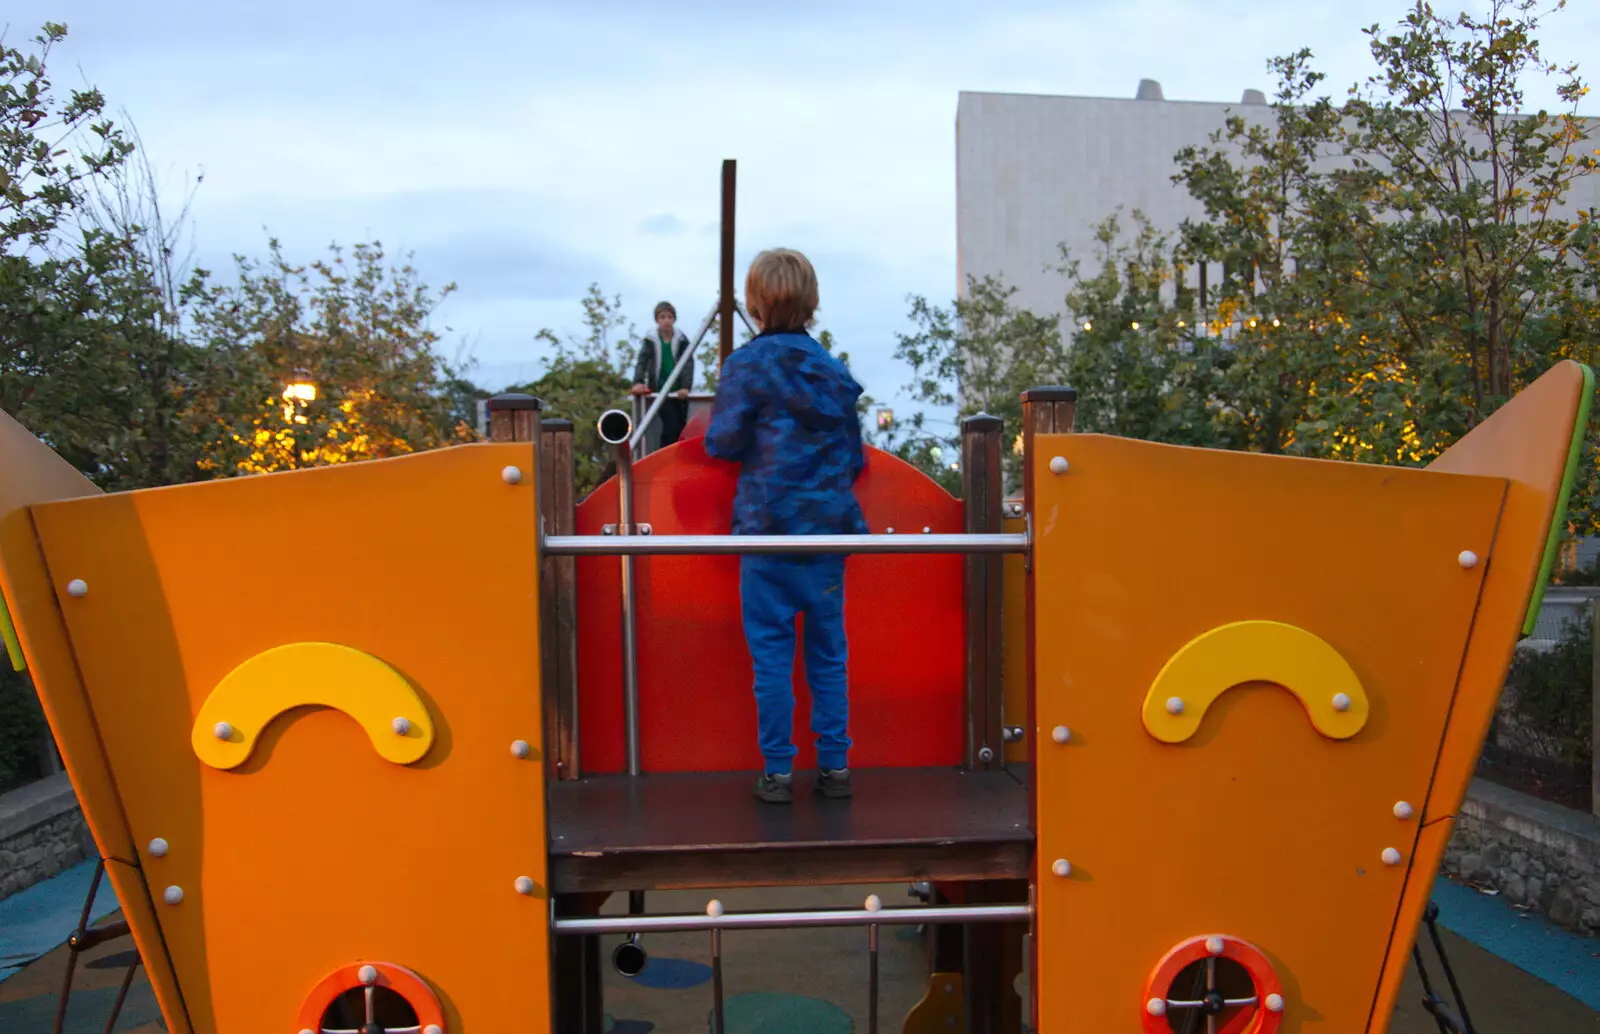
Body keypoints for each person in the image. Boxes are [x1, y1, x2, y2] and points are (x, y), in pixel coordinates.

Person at [703, 249, 867, 803]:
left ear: (753, 304)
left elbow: (720, 442)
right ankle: (836, 767)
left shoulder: (746, 366)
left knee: (771, 657)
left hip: (769, 534)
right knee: (828, 653)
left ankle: (777, 773)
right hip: (825, 535)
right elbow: (855, 459)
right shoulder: (834, 372)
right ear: (812, 303)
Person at [631, 301, 694, 447]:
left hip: (678, 390)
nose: (666, 321)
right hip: (661, 390)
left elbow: (688, 364)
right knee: (670, 426)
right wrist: (638, 382)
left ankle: (678, 458)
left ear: (674, 319)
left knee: (681, 427)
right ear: (657, 320)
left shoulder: (682, 340)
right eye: (663, 317)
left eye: (670, 317)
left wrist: (686, 386)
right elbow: (643, 361)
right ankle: (665, 457)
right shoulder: (651, 340)